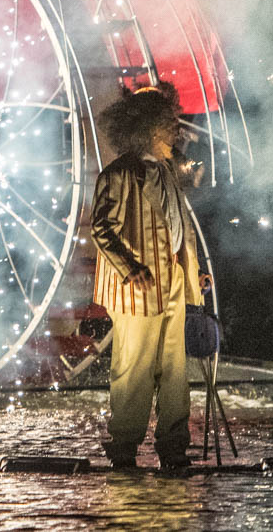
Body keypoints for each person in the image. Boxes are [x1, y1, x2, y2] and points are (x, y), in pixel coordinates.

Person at [90, 83, 206, 471]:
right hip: (135, 290)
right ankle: (123, 445)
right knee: (134, 369)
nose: (177, 131)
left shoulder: (168, 171)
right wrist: (130, 267)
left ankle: (173, 447)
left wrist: (193, 273)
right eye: (169, 124)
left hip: (170, 280)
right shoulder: (119, 174)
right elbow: (101, 228)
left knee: (174, 370)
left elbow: (179, 228)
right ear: (148, 128)